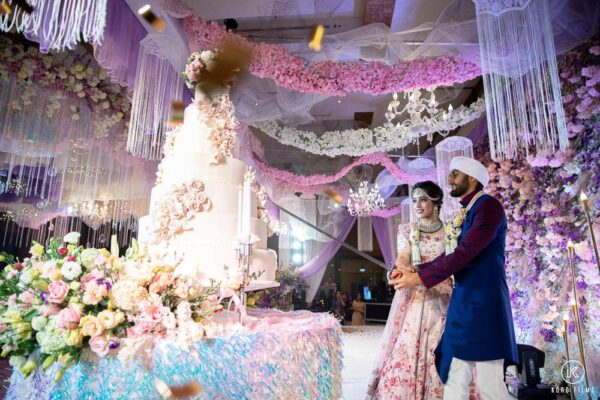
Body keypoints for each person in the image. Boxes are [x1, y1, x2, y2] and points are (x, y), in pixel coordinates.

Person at [392, 156, 518, 400]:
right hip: (463, 304)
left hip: (484, 304)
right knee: (454, 375)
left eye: (455, 175)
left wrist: (418, 278)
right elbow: (452, 255)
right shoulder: (470, 210)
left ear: (472, 179)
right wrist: (416, 270)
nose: (449, 180)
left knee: (490, 383)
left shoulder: (488, 207)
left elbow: (465, 253)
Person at [367, 181, 453, 399]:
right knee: (407, 349)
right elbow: (403, 257)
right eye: (415, 200)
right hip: (417, 301)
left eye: (423, 199)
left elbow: (453, 264)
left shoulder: (451, 231)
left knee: (442, 351)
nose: (417, 205)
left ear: (436, 201)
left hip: (445, 300)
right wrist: (399, 269)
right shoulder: (407, 230)